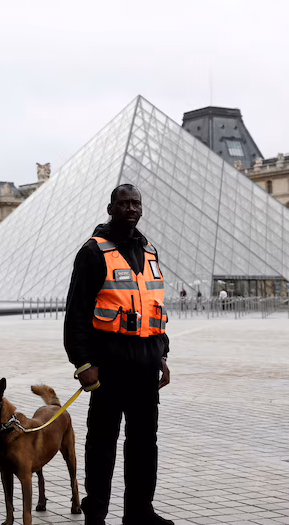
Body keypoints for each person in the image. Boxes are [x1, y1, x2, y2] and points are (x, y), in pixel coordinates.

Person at [65, 184, 173, 525]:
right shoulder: (93, 251)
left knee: (144, 443)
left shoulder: (150, 249)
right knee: (102, 443)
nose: (130, 208)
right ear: (110, 208)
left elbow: (152, 307)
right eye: (123, 203)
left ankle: (140, 512)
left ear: (141, 208)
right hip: (108, 365)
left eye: (135, 203)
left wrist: (162, 356)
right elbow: (77, 313)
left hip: (145, 365)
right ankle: (95, 513)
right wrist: (83, 363)